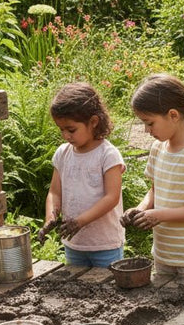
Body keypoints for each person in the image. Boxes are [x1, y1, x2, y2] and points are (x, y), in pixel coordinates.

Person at [121, 74, 184, 289]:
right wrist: (141, 209)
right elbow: (155, 190)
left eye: (150, 123)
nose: (147, 130)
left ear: (173, 115)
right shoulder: (158, 149)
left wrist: (158, 215)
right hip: (165, 253)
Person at [38, 82, 126, 268]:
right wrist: (51, 217)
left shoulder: (108, 155)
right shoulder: (63, 153)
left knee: (108, 290)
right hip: (74, 244)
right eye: (61, 129)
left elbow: (112, 197)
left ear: (93, 122)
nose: (65, 136)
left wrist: (80, 221)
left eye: (71, 130)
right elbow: (54, 192)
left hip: (104, 244)